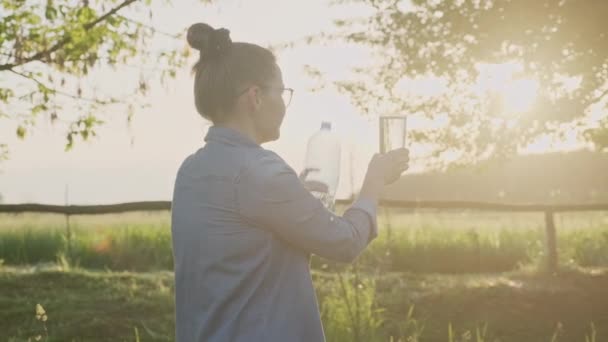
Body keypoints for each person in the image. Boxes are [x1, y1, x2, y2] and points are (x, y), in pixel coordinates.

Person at [170, 22, 410, 342]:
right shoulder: (259, 171)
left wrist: (295, 193)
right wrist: (374, 182)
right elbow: (345, 242)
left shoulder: (191, 170)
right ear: (255, 97)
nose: (284, 104)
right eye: (281, 92)